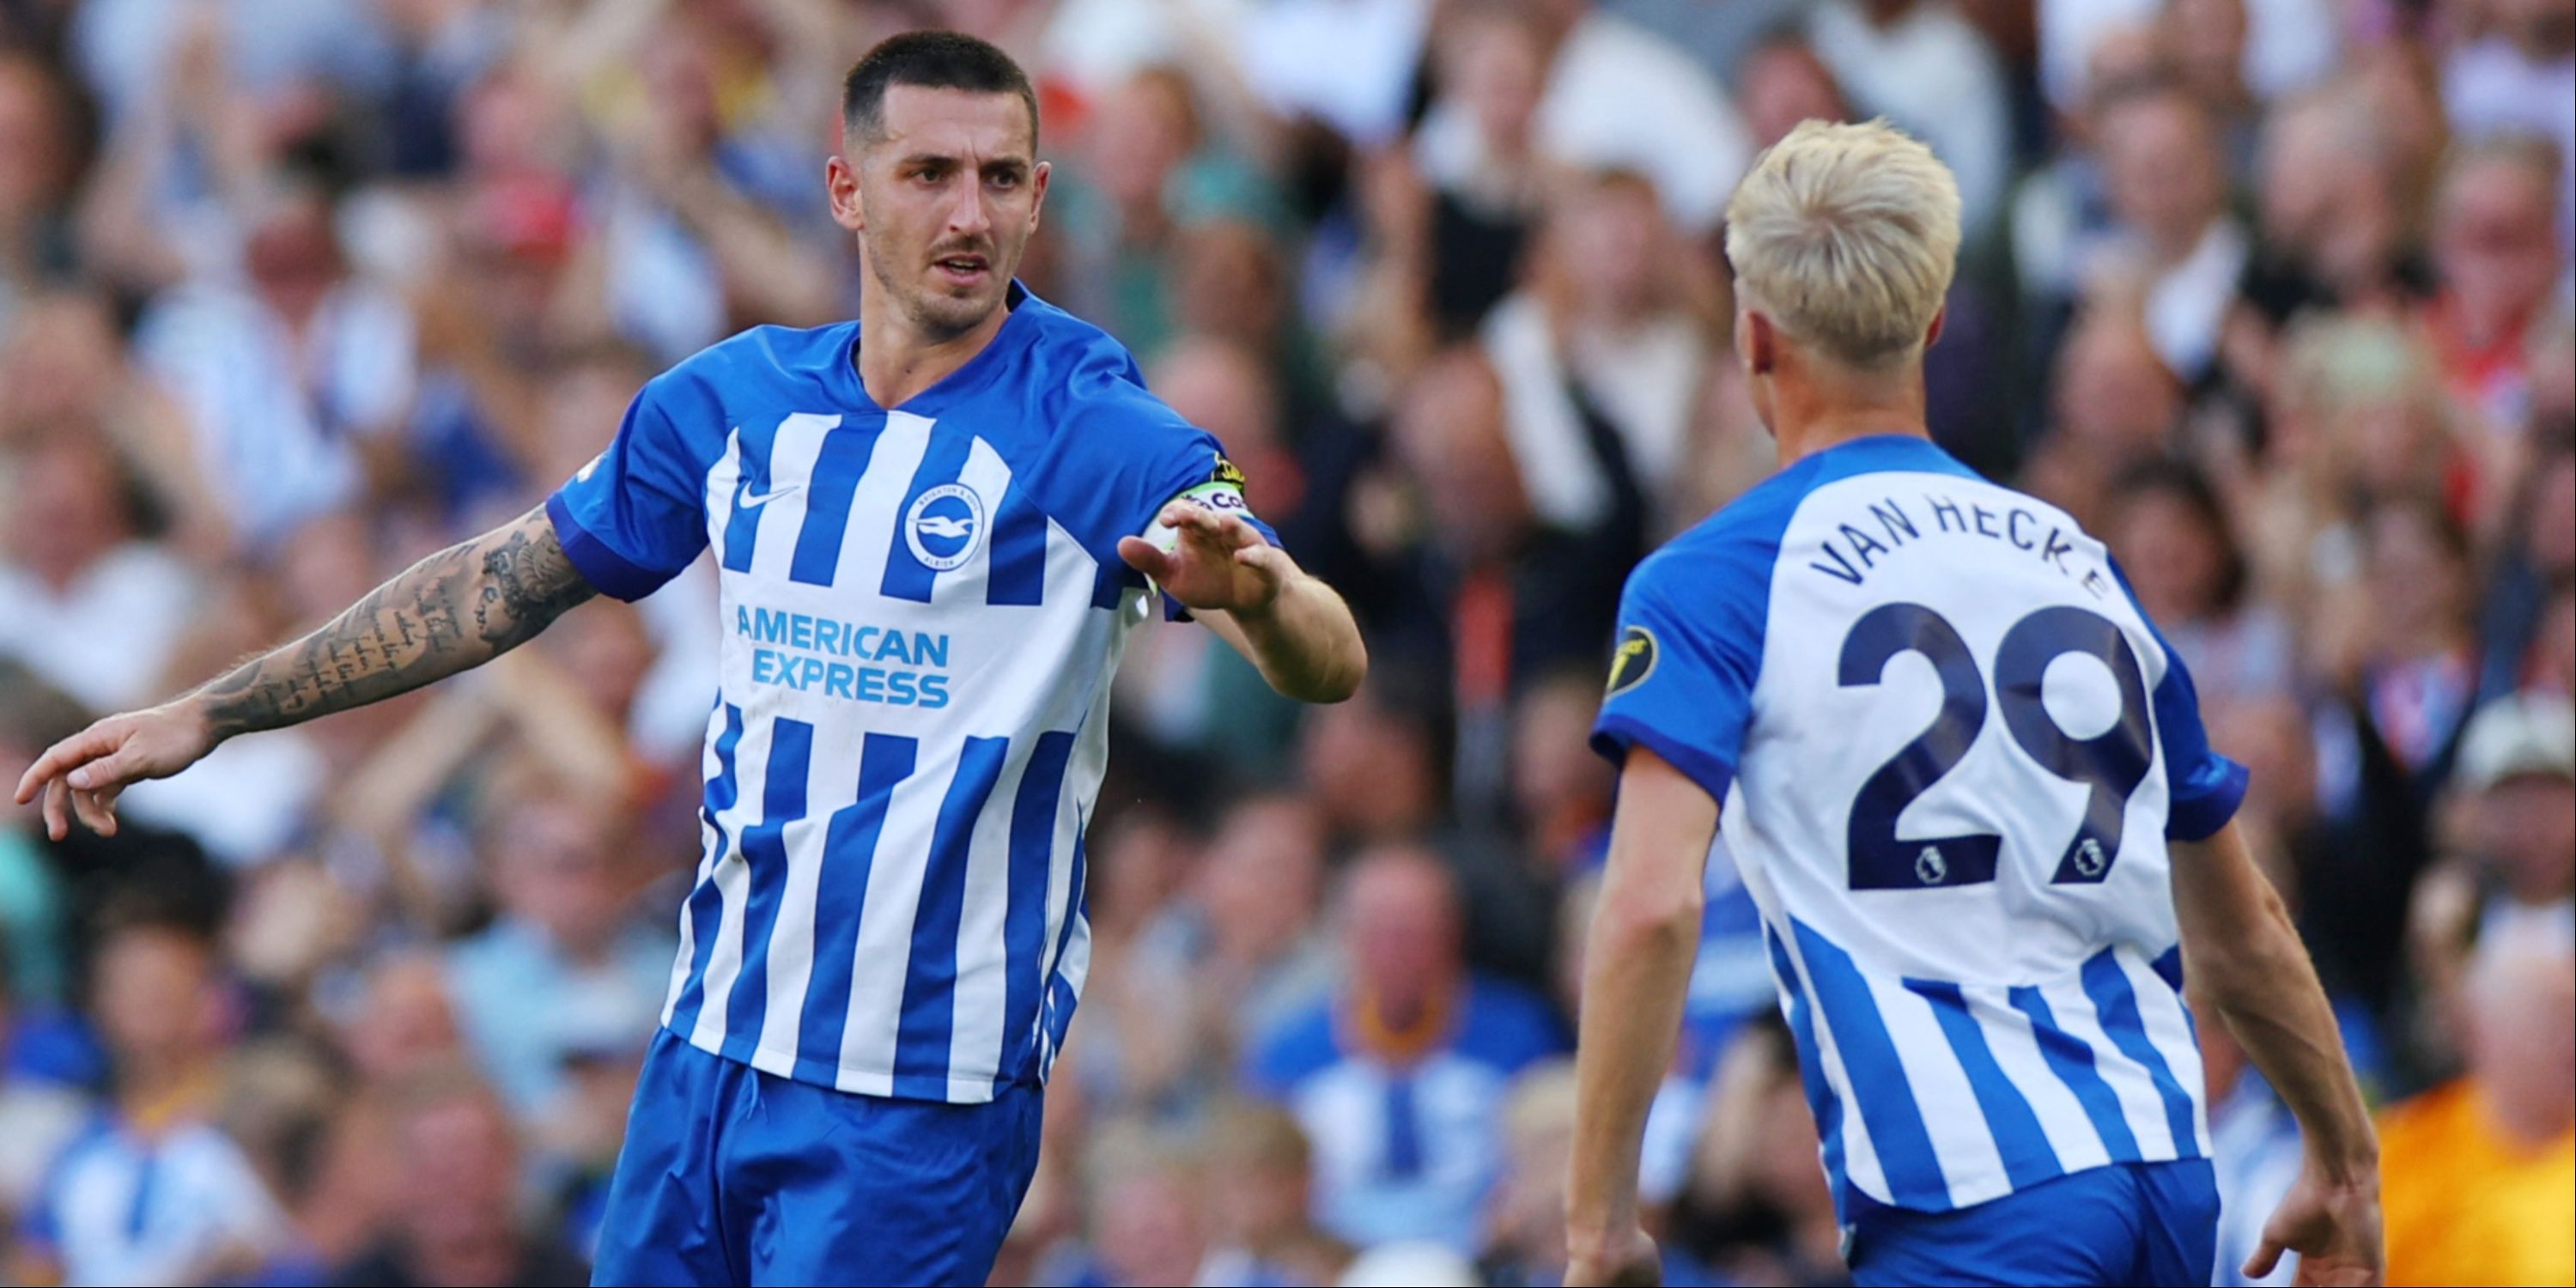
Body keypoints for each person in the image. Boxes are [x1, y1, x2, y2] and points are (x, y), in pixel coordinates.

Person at [14, 28, 1366, 1288]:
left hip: (917, 1089)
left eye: (1002, 177)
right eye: (931, 173)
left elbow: (1329, 656)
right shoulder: (734, 403)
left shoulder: (1093, 424)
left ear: (1037, 193)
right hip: (709, 1045)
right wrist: (217, 709)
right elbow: (496, 585)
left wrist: (1252, 593)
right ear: (845, 187)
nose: (970, 213)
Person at [1561, 120, 2381, 1288]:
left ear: (1753, 335)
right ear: (1933, 325)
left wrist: (1598, 1230)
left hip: (1969, 1198)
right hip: (2160, 1168)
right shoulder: (2076, 558)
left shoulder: (1718, 576)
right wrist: (2343, 1162)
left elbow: (1649, 909)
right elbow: (2238, 920)